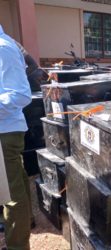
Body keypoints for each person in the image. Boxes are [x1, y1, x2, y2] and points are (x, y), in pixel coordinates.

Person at [0, 24, 32, 249]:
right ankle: (25, 222)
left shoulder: (3, 48)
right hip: (7, 128)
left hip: (5, 130)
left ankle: (18, 245)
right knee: (17, 182)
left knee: (11, 194)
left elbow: (21, 94)